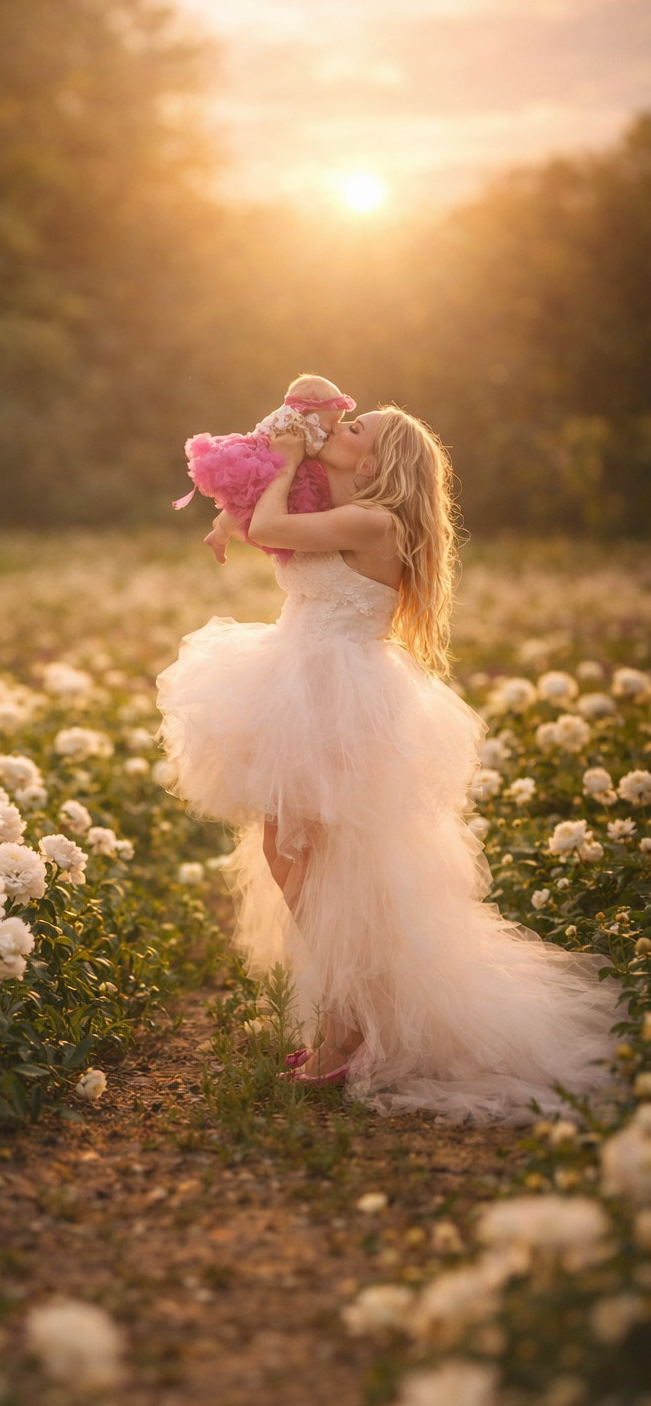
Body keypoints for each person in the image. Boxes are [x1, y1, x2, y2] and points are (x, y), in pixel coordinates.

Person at [157, 405, 618, 1122]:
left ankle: (346, 1027)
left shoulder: (375, 524)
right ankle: (347, 1018)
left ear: (373, 466)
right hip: (300, 686)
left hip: (336, 699)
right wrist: (257, 480)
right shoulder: (335, 507)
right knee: (298, 858)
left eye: (354, 431)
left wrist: (280, 466)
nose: (337, 428)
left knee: (305, 856)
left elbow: (273, 528)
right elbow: (276, 489)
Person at [174, 373, 355, 564]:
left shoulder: (288, 414)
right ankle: (221, 532)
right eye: (330, 424)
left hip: (264, 458)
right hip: (267, 464)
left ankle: (221, 528)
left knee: (248, 501)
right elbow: (311, 446)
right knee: (250, 500)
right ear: (310, 413)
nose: (332, 429)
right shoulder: (295, 420)